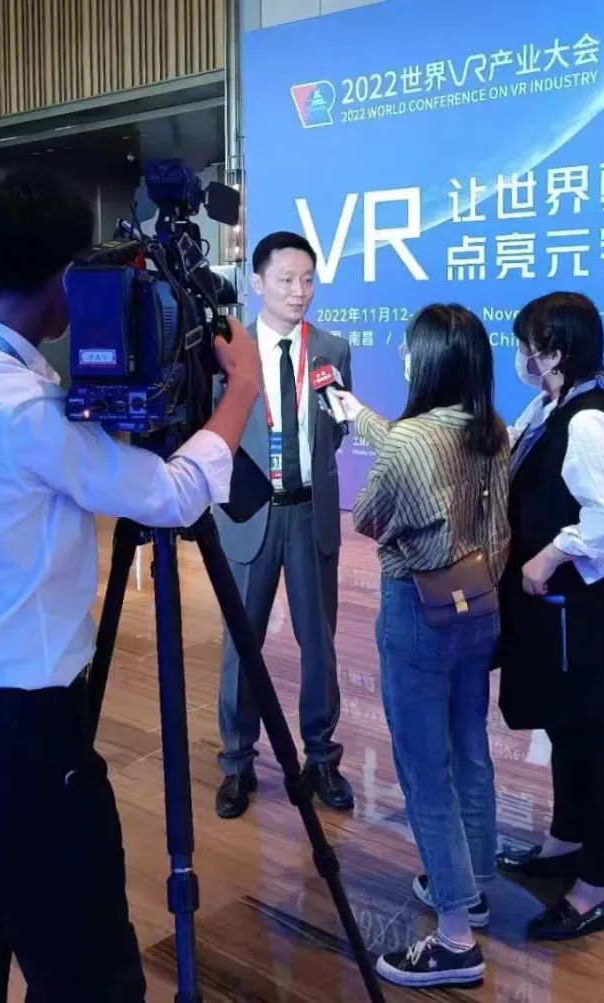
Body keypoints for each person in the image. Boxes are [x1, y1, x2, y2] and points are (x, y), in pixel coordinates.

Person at [0, 168, 262, 1002]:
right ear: (66, 282)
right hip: (19, 738)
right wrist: (239, 390)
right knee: (90, 975)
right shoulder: (24, 410)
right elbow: (172, 494)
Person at [335, 304, 510, 989]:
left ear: (431, 360)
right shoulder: (488, 428)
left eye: (411, 350)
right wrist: (361, 417)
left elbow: (370, 514)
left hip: (419, 610)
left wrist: (375, 434)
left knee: (423, 768)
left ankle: (455, 936)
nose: (405, 359)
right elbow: (424, 462)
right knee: (469, 749)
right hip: (479, 605)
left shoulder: (412, 441)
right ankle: (474, 885)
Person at [495, 291, 604, 941]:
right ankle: (563, 842)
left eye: (529, 345)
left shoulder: (586, 422)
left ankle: (596, 889)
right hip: (552, 611)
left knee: (591, 740)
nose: (522, 356)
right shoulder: (550, 405)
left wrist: (553, 551)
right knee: (564, 729)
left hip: (580, 615)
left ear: (554, 352)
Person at [212, 231, 354, 819]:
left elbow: (336, 427)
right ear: (257, 282)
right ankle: (236, 762)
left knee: (318, 642)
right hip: (250, 513)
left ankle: (321, 757)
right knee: (241, 643)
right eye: (287, 280)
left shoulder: (332, 348)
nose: (300, 291)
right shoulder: (227, 349)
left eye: (308, 279)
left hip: (309, 512)